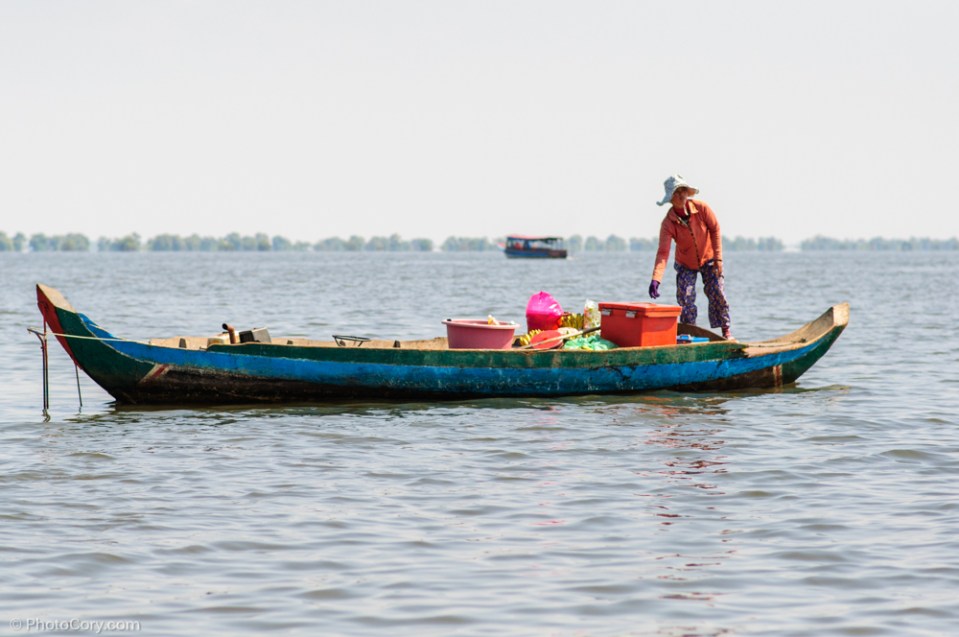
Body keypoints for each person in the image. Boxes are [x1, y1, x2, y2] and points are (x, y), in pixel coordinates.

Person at [647, 175, 733, 340]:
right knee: (685, 297)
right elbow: (663, 253)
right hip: (685, 263)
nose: (680, 196)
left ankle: (726, 332)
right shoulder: (668, 223)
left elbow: (715, 229)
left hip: (709, 259)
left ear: (688, 193)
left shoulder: (701, 208)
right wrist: (656, 279)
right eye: (676, 193)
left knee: (717, 292)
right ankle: (689, 334)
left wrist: (718, 258)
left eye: (683, 191)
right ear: (670, 199)